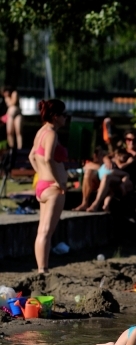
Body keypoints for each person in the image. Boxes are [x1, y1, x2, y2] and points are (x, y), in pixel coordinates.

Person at [29, 99, 70, 274]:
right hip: (53, 188)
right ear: (55, 116)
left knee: (42, 230)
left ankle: (42, 269)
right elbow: (47, 158)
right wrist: (58, 180)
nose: (66, 118)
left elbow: (32, 156)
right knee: (46, 231)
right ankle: (43, 270)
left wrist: (41, 175)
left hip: (42, 185)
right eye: (64, 114)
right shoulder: (52, 133)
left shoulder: (41, 132)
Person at [2, 86, 22, 150]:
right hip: (10, 115)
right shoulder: (6, 97)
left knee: (18, 132)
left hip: (17, 114)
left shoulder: (14, 93)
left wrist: (8, 98)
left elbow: (13, 103)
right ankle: (11, 146)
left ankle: (19, 147)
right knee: (9, 132)